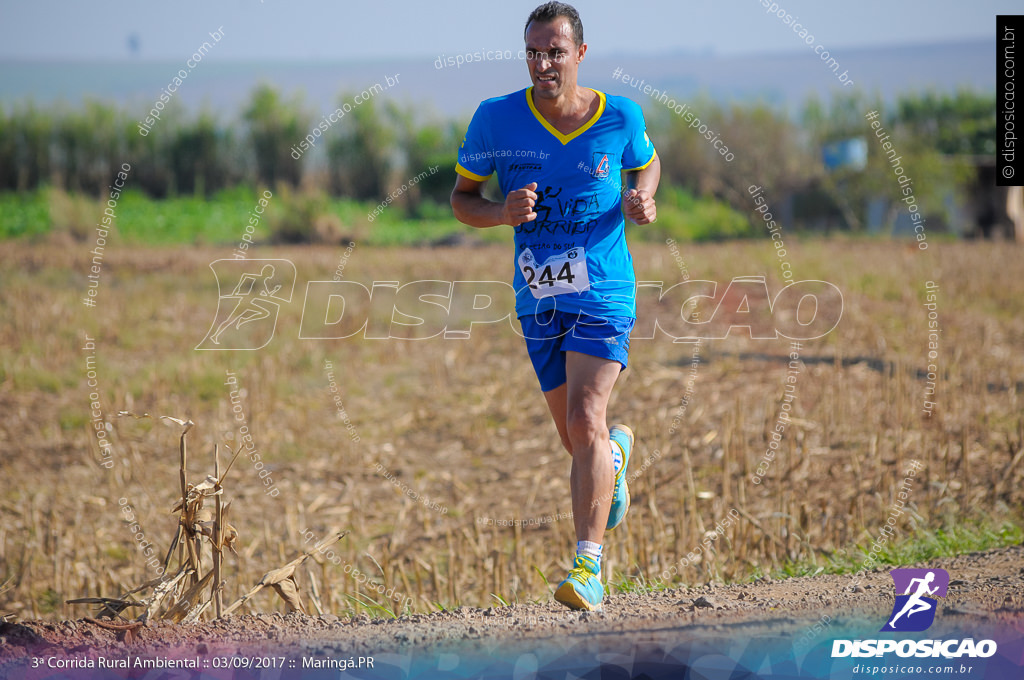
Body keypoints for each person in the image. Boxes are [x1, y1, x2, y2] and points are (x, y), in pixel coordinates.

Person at [450, 1, 660, 610]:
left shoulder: (619, 116)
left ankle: (588, 568)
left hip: (604, 289)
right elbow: (463, 199)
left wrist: (641, 199)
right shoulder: (494, 119)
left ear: (580, 55)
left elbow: (647, 168)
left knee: (586, 418)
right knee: (578, 439)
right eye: (533, 52)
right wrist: (500, 212)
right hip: (537, 296)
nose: (543, 63)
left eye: (555, 52)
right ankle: (615, 457)